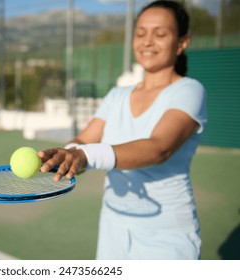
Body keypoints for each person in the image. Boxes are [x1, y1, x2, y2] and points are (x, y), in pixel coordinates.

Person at [38, 0, 207, 260]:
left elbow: (159, 147)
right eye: (140, 33)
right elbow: (83, 139)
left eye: (160, 34)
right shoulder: (117, 95)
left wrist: (84, 156)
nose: (148, 41)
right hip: (113, 228)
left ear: (182, 43)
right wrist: (65, 155)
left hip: (166, 235)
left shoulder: (189, 90)